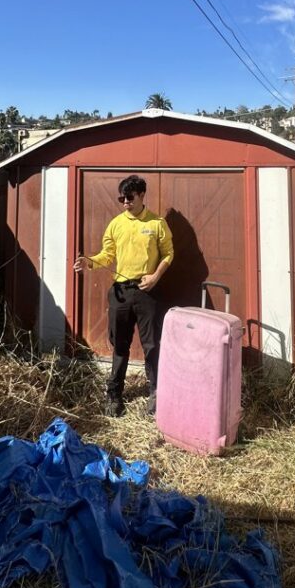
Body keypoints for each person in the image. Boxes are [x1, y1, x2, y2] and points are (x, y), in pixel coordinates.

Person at [73, 174, 173, 417]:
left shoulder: (157, 223)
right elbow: (107, 255)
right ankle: (114, 395)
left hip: (146, 290)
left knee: (151, 344)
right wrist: (89, 262)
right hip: (120, 293)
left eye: (129, 197)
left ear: (141, 196)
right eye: (122, 198)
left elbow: (168, 254)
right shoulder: (116, 224)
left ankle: (156, 393)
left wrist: (155, 277)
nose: (125, 202)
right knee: (120, 345)